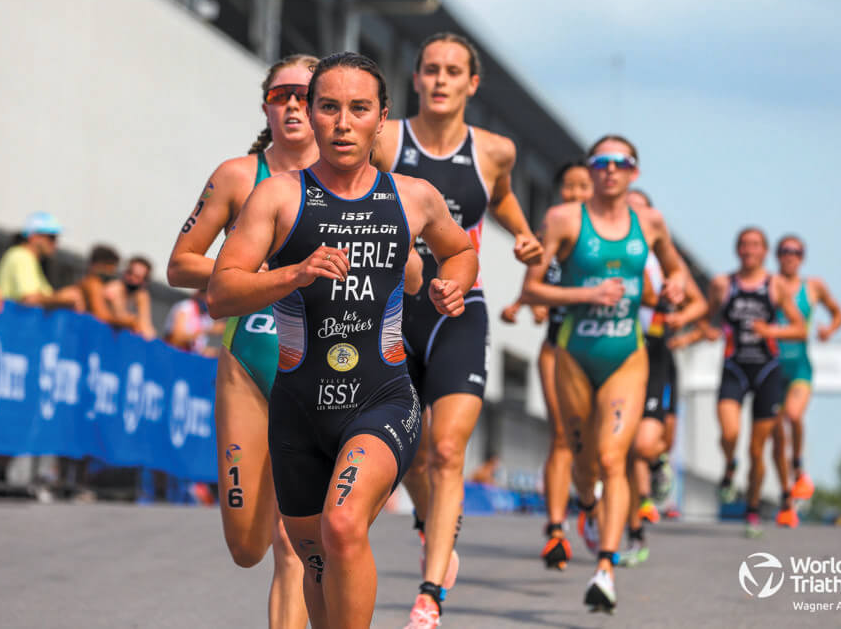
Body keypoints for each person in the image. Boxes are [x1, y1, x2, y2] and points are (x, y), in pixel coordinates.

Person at [206, 51, 478, 629]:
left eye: (359, 109)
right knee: (314, 561)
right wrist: (294, 274)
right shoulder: (278, 196)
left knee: (344, 525)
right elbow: (222, 292)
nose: (342, 122)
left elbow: (460, 249)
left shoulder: (412, 197)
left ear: (381, 118)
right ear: (311, 111)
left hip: (382, 400)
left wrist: (452, 285)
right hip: (299, 409)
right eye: (328, 107)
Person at [370, 32, 542, 625]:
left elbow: (499, 197)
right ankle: (427, 525)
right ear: (415, 79)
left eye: (453, 71)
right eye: (431, 70)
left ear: (472, 84)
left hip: (460, 308)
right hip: (391, 309)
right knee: (412, 456)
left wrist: (521, 232)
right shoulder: (386, 140)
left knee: (447, 449)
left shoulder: (495, 150)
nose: (441, 80)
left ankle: (429, 596)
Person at [167, 54, 319, 629]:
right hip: (248, 367)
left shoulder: (355, 184)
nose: (294, 105)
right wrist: (262, 275)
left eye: (307, 95)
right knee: (247, 545)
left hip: (323, 372)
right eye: (282, 94)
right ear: (266, 105)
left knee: (294, 539)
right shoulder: (237, 175)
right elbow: (179, 265)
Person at [520, 135, 689, 612]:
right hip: (574, 352)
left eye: (621, 163)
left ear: (634, 172)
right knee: (581, 458)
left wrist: (674, 289)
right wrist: (585, 296)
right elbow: (532, 290)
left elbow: (674, 273)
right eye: (602, 162)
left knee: (614, 459)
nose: (610, 170)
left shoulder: (650, 222)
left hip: (626, 356)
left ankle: (606, 569)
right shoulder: (564, 220)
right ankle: (587, 509)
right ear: (591, 170)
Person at [507, 161, 593, 571]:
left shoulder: (605, 239)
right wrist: (525, 306)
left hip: (602, 351)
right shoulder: (549, 236)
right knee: (561, 434)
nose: (576, 194)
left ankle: (591, 505)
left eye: (584, 187)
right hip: (558, 348)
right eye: (570, 187)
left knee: (595, 445)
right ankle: (556, 530)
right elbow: (532, 288)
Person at [0, 212, 81, 503]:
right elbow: (30, 299)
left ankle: (14, 478)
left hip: (21, 351)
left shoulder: (32, 262)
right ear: (34, 236)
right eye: (51, 237)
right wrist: (63, 298)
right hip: (5, 349)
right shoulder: (20, 256)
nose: (55, 243)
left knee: (15, 413)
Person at [618, 189, 707, 566]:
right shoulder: (608, 248)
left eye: (640, 209)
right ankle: (634, 528)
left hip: (654, 351)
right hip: (615, 348)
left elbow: (699, 303)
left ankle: (657, 466)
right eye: (628, 208)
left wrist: (678, 317)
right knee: (619, 449)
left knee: (645, 443)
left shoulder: (663, 257)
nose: (633, 215)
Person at [703, 228, 805, 537]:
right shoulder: (723, 284)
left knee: (757, 449)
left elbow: (800, 328)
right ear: (737, 249)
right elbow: (708, 317)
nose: (749, 250)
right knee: (729, 431)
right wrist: (705, 330)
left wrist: (772, 332)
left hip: (766, 370)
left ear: (764, 251)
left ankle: (751, 508)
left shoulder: (775, 286)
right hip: (734, 367)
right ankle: (729, 464)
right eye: (744, 245)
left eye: (755, 245)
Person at [770, 234, 841, 526]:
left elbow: (839, 314)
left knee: (793, 415)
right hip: (773, 369)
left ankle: (799, 467)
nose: (790, 256)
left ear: (802, 257)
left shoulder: (813, 287)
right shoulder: (771, 285)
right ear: (777, 256)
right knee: (776, 437)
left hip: (800, 367)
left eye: (796, 252)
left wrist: (829, 330)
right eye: (785, 251)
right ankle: (786, 499)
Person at [77, 245, 139, 330]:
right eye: (112, 267)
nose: (112, 271)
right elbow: (101, 316)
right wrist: (128, 322)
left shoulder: (94, 283)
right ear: (100, 265)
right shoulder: (93, 283)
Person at [163, 288, 225, 357]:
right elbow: (176, 339)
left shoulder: (206, 318)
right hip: (172, 355)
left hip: (188, 358)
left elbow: (197, 348)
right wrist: (207, 330)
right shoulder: (186, 307)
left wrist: (216, 353)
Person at [106, 256, 156, 339]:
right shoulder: (113, 289)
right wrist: (133, 321)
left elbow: (148, 331)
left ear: (144, 282)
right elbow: (120, 317)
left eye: (137, 277)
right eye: (130, 273)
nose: (131, 279)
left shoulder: (142, 296)